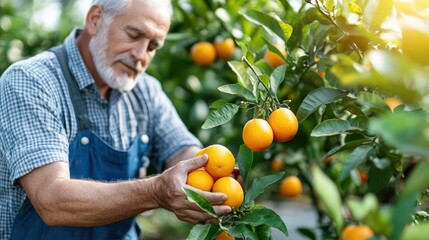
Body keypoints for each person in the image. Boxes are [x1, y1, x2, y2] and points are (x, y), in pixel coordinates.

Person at [0, 0, 233, 239]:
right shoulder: (31, 82)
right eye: (134, 35)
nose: (141, 55)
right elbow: (52, 200)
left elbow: (182, 149)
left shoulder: (146, 91)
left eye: (152, 46)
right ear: (95, 19)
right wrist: (155, 191)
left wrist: (214, 172)